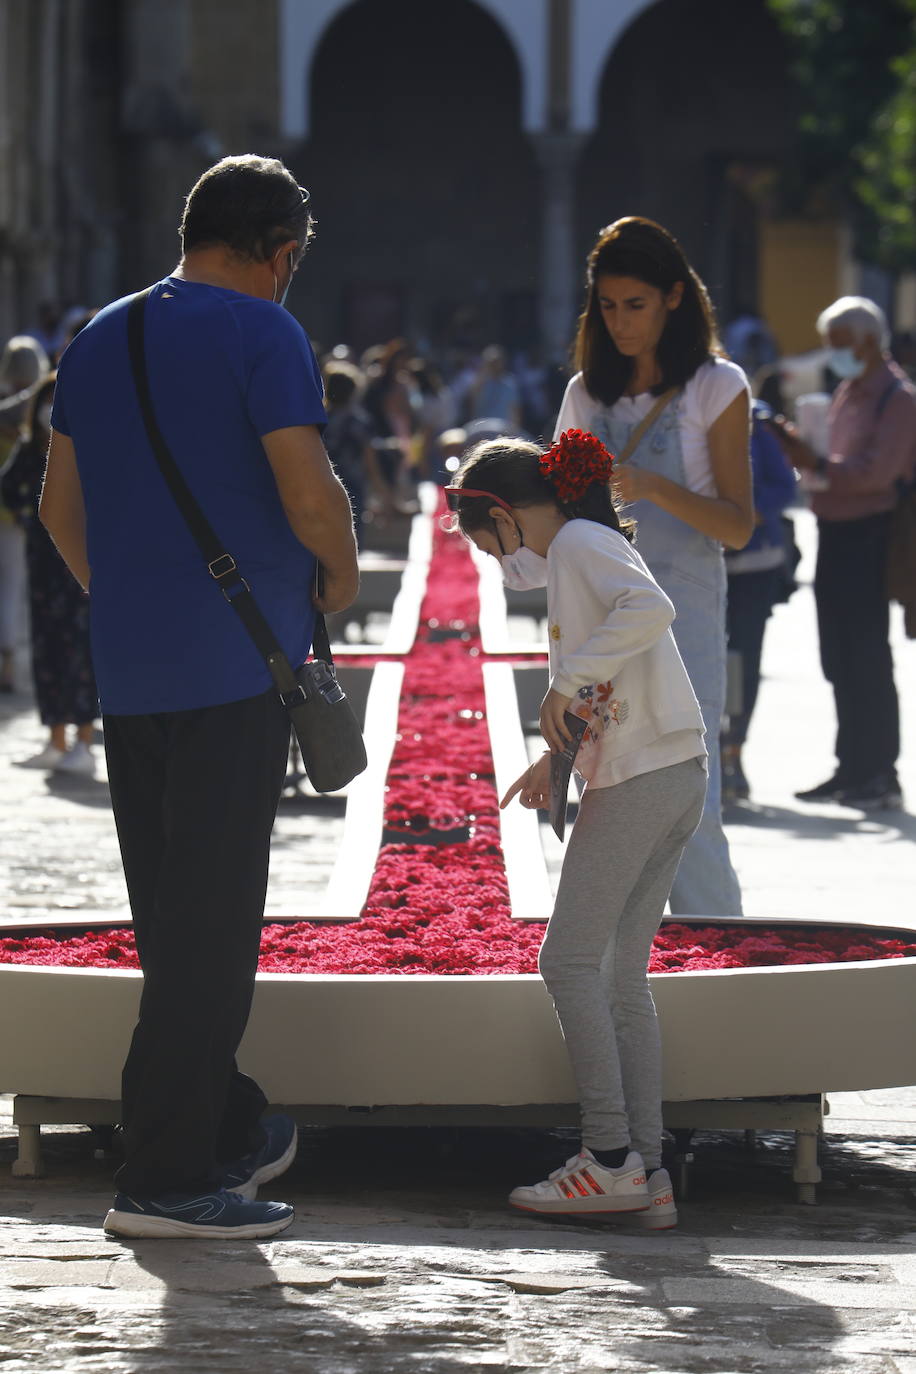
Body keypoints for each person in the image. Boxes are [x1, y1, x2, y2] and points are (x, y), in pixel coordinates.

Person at [40, 153, 359, 1239]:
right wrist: (341, 575)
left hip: (133, 671)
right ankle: (166, 1178)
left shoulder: (97, 335)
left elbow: (59, 508)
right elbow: (308, 493)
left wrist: (133, 600)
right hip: (235, 668)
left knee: (172, 923)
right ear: (282, 253)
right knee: (213, 934)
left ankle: (228, 1125)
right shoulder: (264, 331)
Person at [447, 430, 706, 1228]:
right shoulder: (581, 548)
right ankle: (648, 1172)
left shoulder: (579, 545)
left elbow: (650, 609)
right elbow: (613, 671)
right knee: (623, 978)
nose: (495, 561)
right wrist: (557, 758)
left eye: (485, 542)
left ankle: (610, 1156)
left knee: (565, 962)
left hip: (642, 781)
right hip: (671, 770)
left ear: (503, 514)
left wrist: (566, 682)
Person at [554, 217, 753, 916]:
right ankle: (615, 961)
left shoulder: (716, 385)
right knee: (606, 797)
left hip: (685, 613)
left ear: (674, 297)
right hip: (602, 618)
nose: (620, 322)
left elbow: (737, 524)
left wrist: (654, 487)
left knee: (690, 803)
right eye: (607, 306)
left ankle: (717, 952)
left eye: (635, 305)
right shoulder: (586, 392)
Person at [766, 296, 916, 810]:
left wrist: (816, 463)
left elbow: (877, 473)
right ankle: (851, 766)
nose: (834, 354)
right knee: (838, 654)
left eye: (840, 344)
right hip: (834, 529)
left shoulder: (897, 399)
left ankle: (880, 772)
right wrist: (803, 452)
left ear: (869, 341)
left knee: (867, 653)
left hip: (871, 532)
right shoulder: (849, 391)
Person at [1, 374, 99, 771]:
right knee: (49, 648)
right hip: (44, 566)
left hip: (81, 563)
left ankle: (83, 740)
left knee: (83, 649)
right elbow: (9, 488)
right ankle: (56, 737)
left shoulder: (90, 447)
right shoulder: (30, 451)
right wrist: (26, 518)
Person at [721, 400, 798, 801]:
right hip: (696, 564)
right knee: (698, 658)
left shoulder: (755, 420)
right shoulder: (676, 411)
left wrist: (746, 513)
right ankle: (706, 752)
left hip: (755, 567)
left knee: (745, 660)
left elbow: (784, 485)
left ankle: (734, 750)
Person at [0, 336, 50, 692]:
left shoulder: (7, 410)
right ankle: (12, 665)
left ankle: (9, 663)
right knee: (16, 591)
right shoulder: (37, 408)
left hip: (9, 516)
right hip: (21, 519)